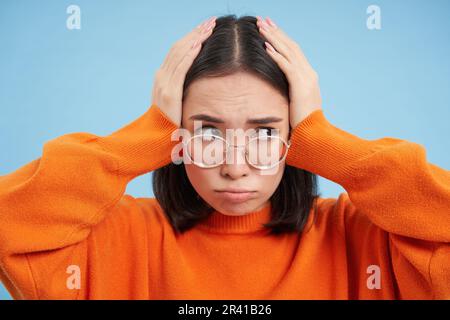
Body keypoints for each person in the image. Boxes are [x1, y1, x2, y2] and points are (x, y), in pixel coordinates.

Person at [0, 14, 448, 300]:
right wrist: (144, 137)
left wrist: (327, 143)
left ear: (297, 136)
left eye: (266, 132)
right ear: (174, 134)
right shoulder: (112, 239)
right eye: (208, 131)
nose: (235, 167)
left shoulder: (367, 239)